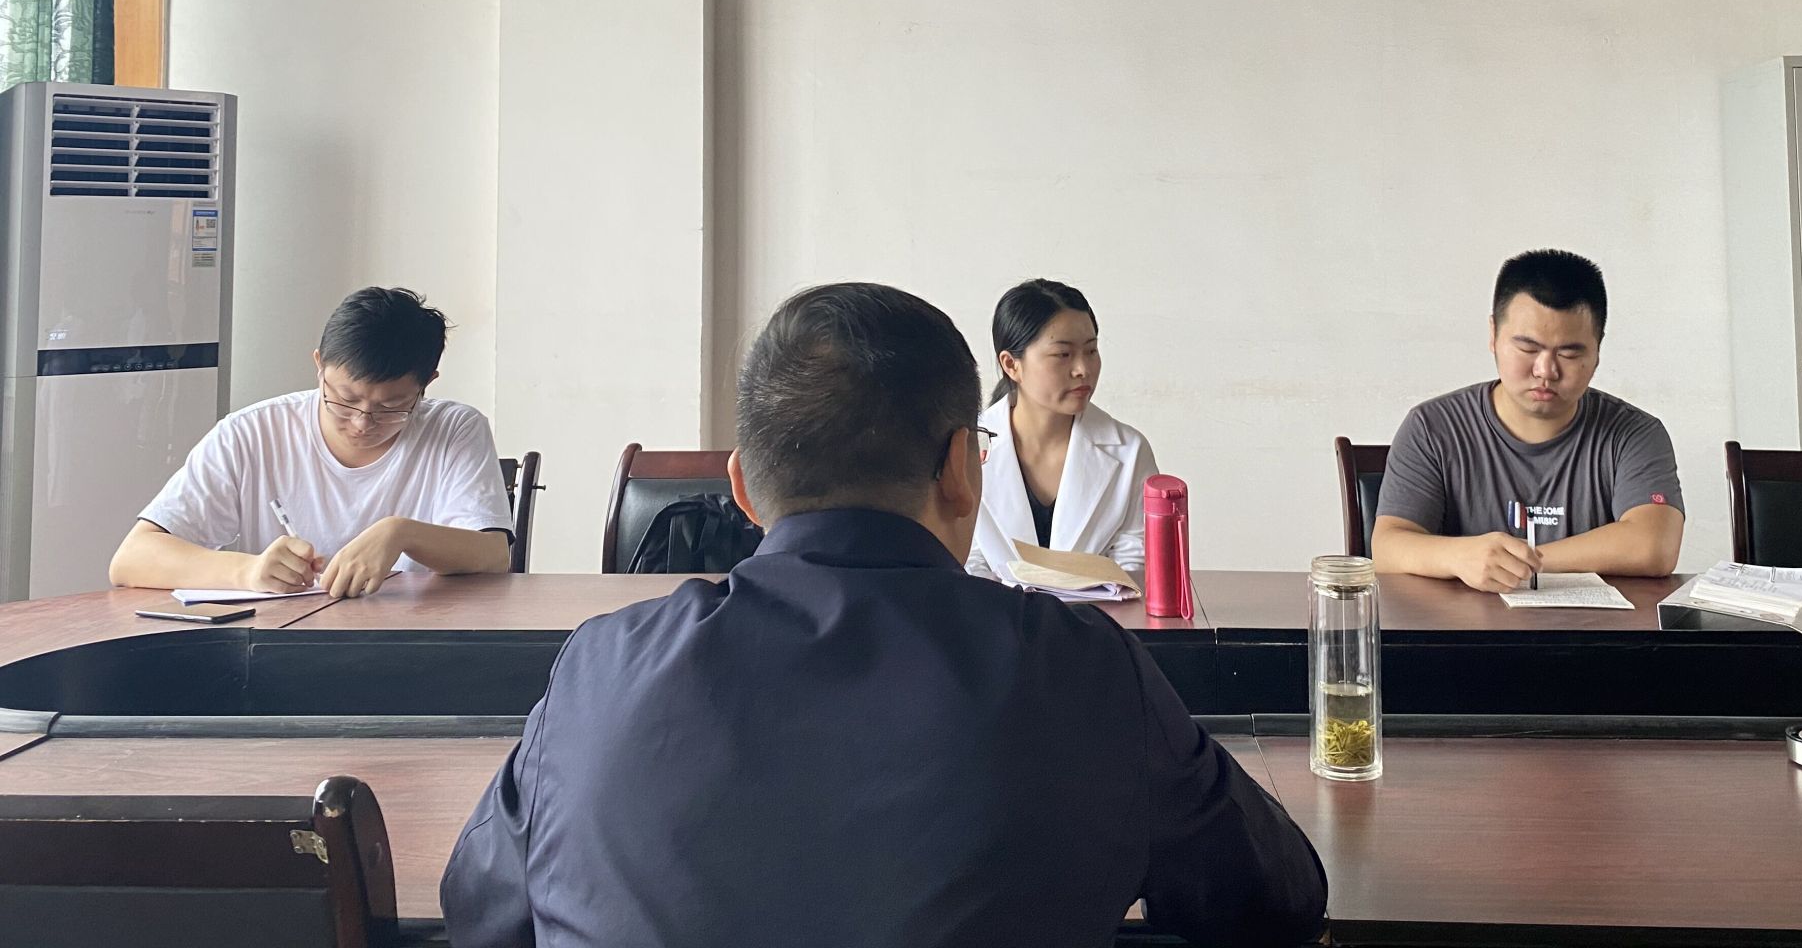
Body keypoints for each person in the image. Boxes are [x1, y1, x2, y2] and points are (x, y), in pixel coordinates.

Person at [442, 282, 1325, 948]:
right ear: (964, 468)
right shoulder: (1083, 669)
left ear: (742, 487)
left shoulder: (599, 670)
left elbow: (479, 911)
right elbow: (1276, 903)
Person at [109, 287, 511, 598]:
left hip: (412, 643)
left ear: (426, 385)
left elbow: (493, 555)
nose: (361, 423)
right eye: (344, 399)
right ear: (319, 365)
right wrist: (248, 571)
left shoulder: (455, 430)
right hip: (276, 647)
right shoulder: (252, 433)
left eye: (391, 407)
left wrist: (402, 533)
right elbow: (132, 558)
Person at [1372, 250, 1684, 591]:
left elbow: (1654, 545)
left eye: (1569, 353)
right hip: (1463, 624)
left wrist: (1517, 563)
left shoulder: (1635, 434)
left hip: (1591, 624)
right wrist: (1459, 557)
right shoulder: (1432, 428)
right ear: (1493, 335)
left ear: (1597, 351)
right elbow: (1387, 548)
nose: (1545, 371)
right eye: (1528, 349)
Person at [968, 278, 1158, 586]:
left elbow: (1133, 567)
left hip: (1097, 615)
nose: (1083, 369)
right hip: (994, 614)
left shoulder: (1129, 450)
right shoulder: (968, 447)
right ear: (1011, 365)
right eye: (1063, 354)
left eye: (1091, 350)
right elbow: (967, 559)